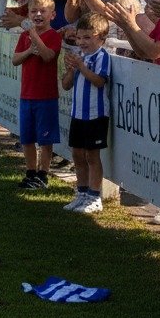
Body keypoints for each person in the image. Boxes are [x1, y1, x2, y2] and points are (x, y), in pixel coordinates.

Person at [61, 12, 112, 214]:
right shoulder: (79, 57)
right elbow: (65, 85)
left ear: (101, 37)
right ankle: (81, 193)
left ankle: (94, 196)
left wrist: (81, 67)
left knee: (92, 156)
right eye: (79, 37)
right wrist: (71, 70)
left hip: (95, 114)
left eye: (87, 37)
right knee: (77, 154)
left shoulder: (102, 57)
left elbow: (100, 81)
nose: (81, 42)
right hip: (78, 113)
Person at [10, 0, 62, 190]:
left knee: (45, 139)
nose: (38, 15)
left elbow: (48, 55)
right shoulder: (25, 36)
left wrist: (33, 35)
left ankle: (43, 174)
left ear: (52, 15)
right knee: (27, 138)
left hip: (46, 96)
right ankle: (30, 172)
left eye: (42, 11)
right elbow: (15, 59)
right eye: (34, 11)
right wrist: (29, 50)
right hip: (27, 95)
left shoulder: (53, 35)